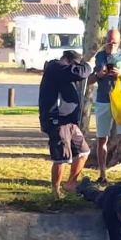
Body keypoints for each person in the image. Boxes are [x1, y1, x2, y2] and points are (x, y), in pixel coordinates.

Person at [38, 50, 92, 198]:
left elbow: (81, 75)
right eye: (74, 65)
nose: (75, 69)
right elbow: (81, 72)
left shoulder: (63, 72)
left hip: (70, 121)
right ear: (67, 60)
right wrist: (89, 65)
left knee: (83, 152)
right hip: (57, 120)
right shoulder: (55, 67)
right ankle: (55, 191)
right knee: (61, 158)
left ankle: (70, 184)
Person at [87, 28, 121, 185]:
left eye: (114, 41)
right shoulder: (99, 56)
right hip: (103, 100)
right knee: (102, 138)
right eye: (109, 40)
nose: (111, 44)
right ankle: (102, 174)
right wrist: (99, 75)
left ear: (120, 41)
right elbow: (88, 80)